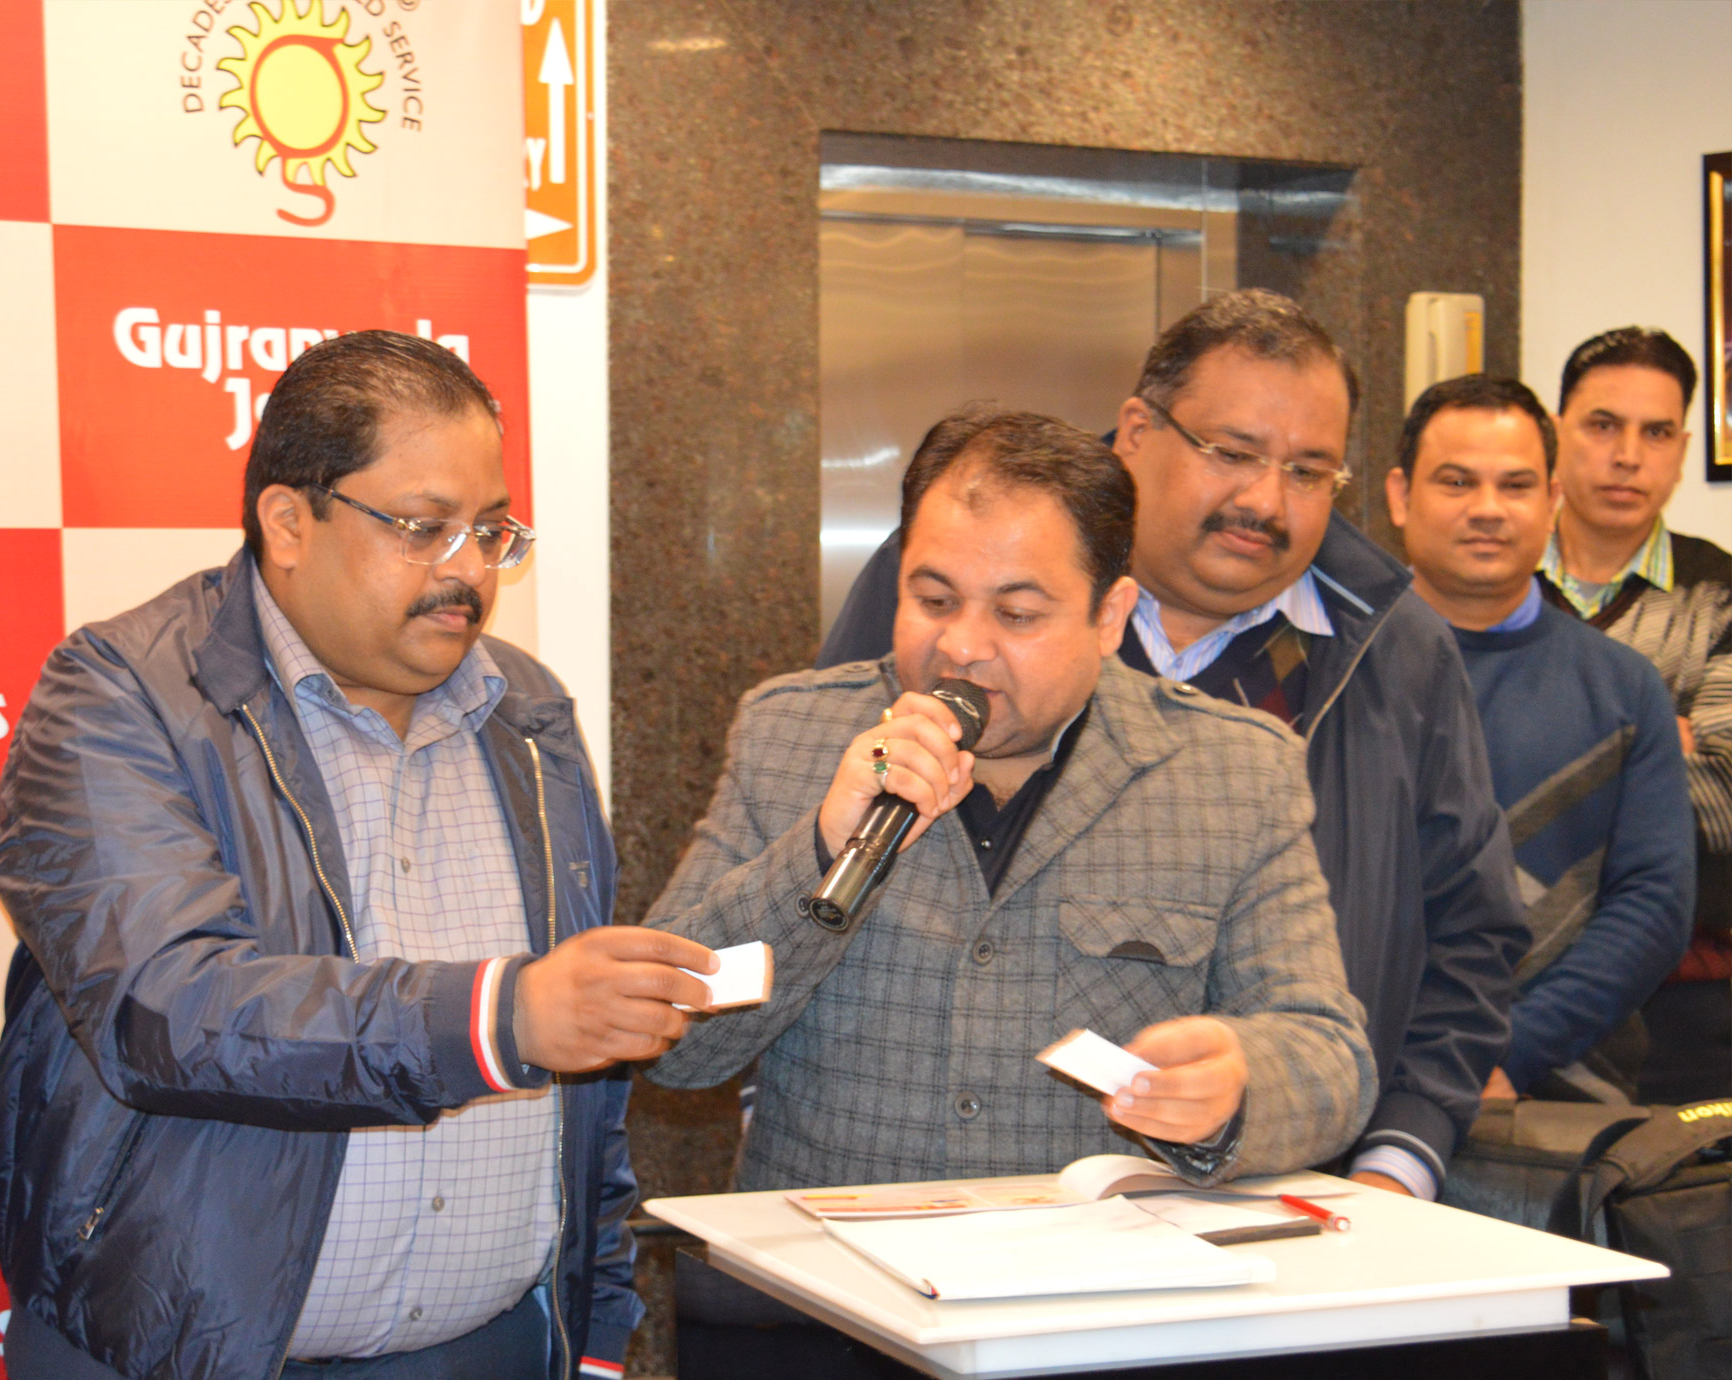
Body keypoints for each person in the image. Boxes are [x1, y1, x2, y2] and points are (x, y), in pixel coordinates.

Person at [0, 330, 716, 1380]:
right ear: (288, 521)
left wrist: (588, 1353)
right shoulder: (121, 696)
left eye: (491, 530)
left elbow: (586, 1099)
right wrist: (498, 1016)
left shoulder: (526, 712)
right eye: (422, 527)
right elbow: (166, 1005)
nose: (467, 570)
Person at [818, 291, 1526, 1200]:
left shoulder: (1396, 647)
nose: (1263, 500)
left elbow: (1469, 928)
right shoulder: (958, 589)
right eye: (1231, 452)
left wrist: (1398, 1158)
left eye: (1308, 471)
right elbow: (815, 829)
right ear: (1136, 432)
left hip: (1300, 1198)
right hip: (952, 1190)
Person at [645, 406, 1376, 1189]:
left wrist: (1236, 1086)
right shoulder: (789, 734)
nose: (961, 646)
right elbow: (670, 1038)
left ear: (1108, 617)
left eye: (1016, 614)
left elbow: (1329, 1060)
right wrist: (821, 848)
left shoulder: (1233, 773)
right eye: (933, 600)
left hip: (1094, 1260)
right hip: (822, 1259)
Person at [1386, 375, 1692, 1098]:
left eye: (1516, 485)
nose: (1487, 509)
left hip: (1561, 1098)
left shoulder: (1624, 688)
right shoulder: (1334, 667)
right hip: (1354, 1077)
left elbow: (1653, 905)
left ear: (1552, 499)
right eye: (1456, 482)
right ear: (1400, 496)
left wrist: (1509, 1054)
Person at [1537, 327, 1732, 1102]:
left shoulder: (1720, 593)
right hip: (1495, 990)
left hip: (1685, 1013)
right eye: (1602, 425)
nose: (1627, 456)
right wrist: (1656, 742)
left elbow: (1722, 803)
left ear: (1681, 452)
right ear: (1557, 432)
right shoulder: (1489, 579)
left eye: (1654, 433)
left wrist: (1533, 763)